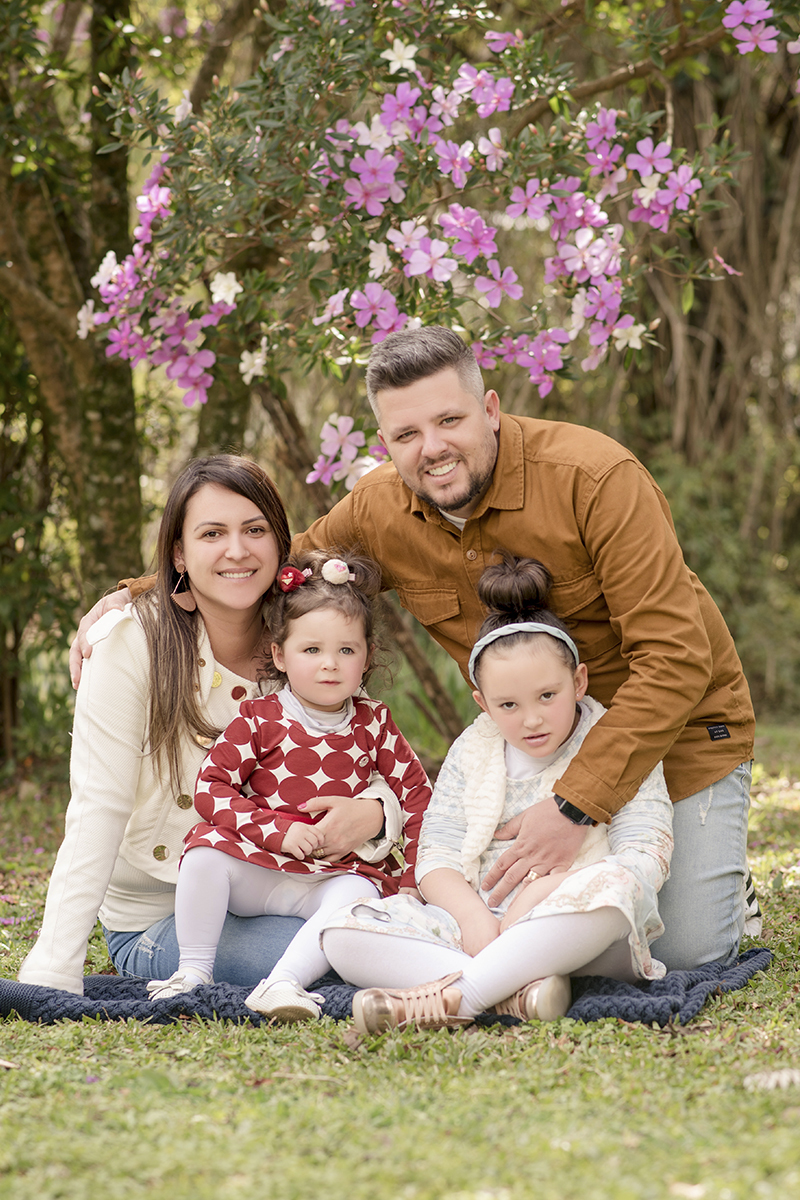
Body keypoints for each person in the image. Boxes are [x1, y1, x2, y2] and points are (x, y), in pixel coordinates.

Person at [70, 327, 757, 971]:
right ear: (386, 441)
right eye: (407, 434)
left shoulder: (596, 478)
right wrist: (143, 590)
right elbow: (275, 563)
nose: (432, 448)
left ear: (491, 409)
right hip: (522, 754)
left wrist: (576, 805)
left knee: (682, 948)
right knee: (506, 928)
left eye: (449, 420)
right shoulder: (381, 508)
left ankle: (714, 877)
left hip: (673, 736)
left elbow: (676, 659)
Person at [19, 457, 401, 996]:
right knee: (350, 951)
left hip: (294, 883)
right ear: (180, 552)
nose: (237, 550)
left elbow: (366, 750)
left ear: (281, 544)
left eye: (255, 530)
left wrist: (377, 811)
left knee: (384, 928)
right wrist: (53, 969)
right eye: (212, 533)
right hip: (167, 914)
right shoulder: (131, 642)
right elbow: (97, 806)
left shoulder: (307, 637)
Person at [320, 554, 674, 1032]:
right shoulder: (474, 749)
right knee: (341, 935)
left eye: (547, 696)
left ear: (578, 682)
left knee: (618, 887)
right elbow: (437, 855)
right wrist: (475, 920)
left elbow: (646, 854)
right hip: (479, 923)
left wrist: (543, 893)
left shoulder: (614, 742)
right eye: (508, 704)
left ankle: (461, 997)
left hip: (574, 925)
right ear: (483, 704)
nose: (532, 719)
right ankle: (518, 993)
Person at [146, 549, 431, 1022]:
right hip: (256, 868)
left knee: (356, 896)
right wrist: (277, 831)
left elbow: (418, 798)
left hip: (331, 876)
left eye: (346, 650)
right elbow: (211, 788)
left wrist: (411, 884)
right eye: (311, 650)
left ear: (367, 656)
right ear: (280, 654)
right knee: (203, 854)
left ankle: (284, 982)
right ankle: (192, 972)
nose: (329, 665)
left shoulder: (374, 722)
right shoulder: (261, 717)